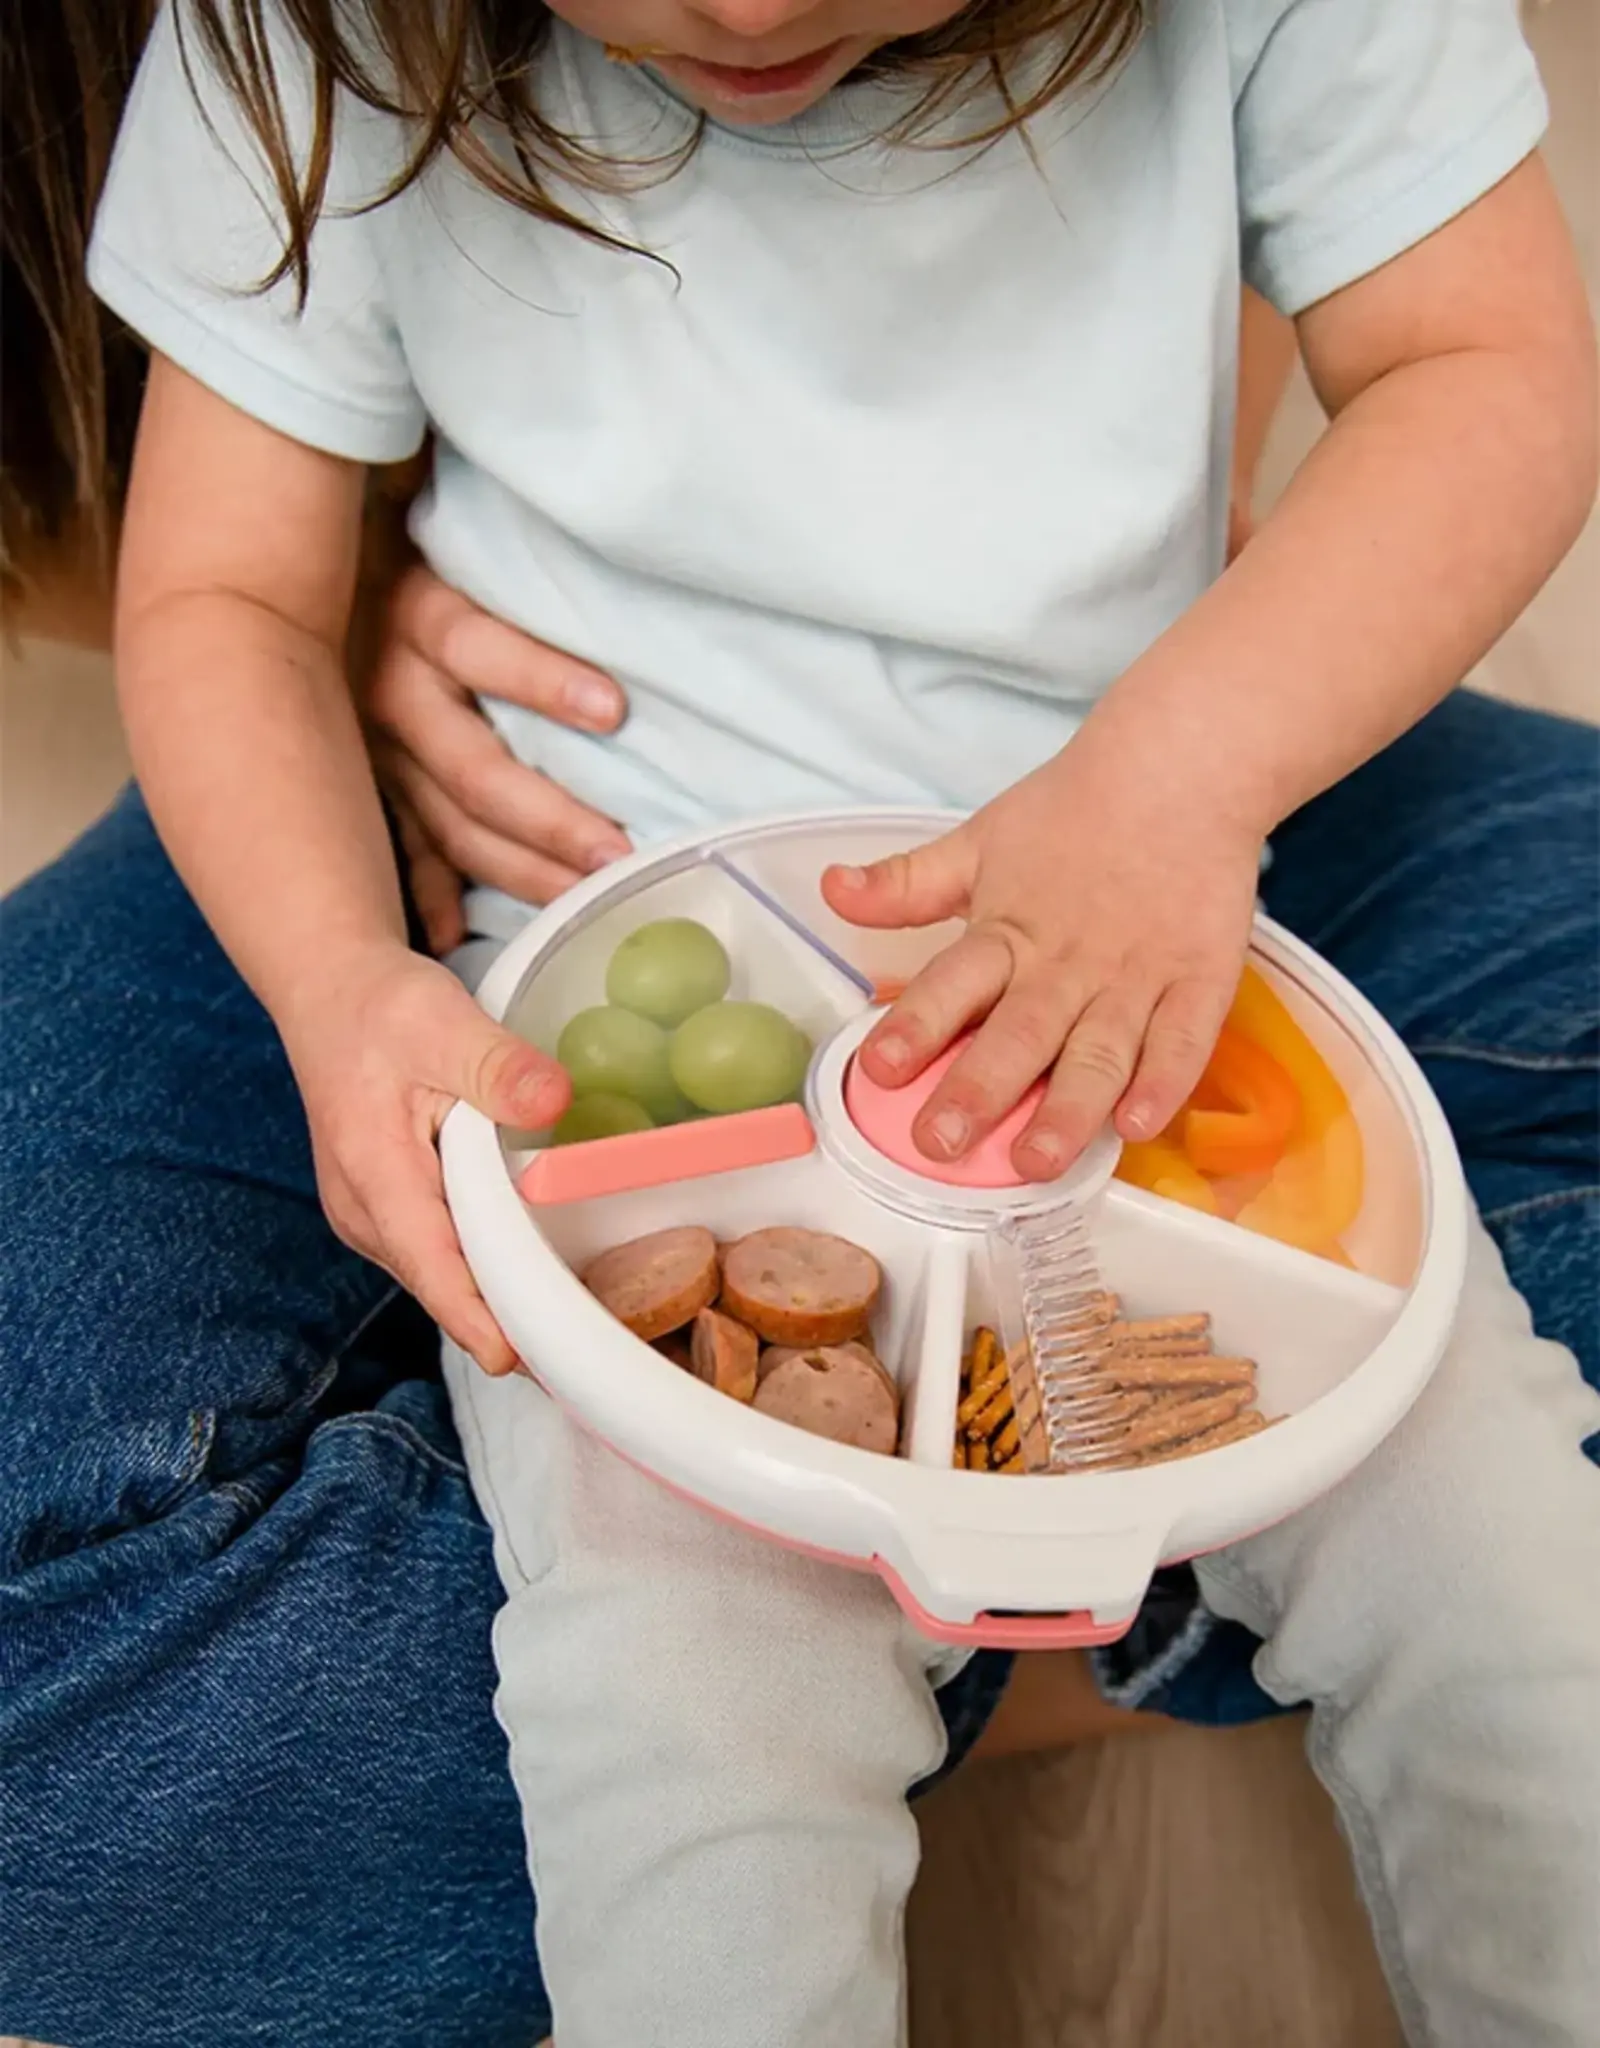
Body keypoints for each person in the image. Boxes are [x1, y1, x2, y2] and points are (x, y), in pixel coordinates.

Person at [2, 6, 1597, 2048]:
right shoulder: (303, 35)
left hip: (1148, 950)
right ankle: (992, 1609)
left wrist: (1183, 781)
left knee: (1511, 1594)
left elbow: (1482, 372)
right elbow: (219, 595)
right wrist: (338, 986)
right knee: (680, 1754)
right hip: (579, 967)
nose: (747, 13)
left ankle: (1008, 1602)